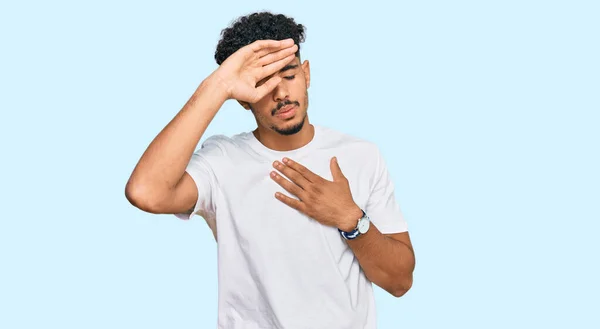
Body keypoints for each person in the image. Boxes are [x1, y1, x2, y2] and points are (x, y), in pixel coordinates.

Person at [125, 11, 416, 329]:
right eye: (262, 83)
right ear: (242, 97)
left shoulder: (360, 156)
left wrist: (351, 219)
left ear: (306, 74)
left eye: (289, 75)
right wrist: (219, 84)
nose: (280, 94)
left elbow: (400, 282)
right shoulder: (222, 161)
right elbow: (145, 192)